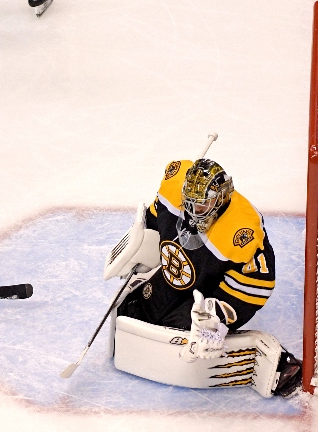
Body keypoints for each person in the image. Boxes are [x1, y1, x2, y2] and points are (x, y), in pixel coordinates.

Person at [112, 158, 302, 397]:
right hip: (180, 277)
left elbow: (258, 285)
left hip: (216, 290)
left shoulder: (241, 231)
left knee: (191, 335)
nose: (193, 212)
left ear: (220, 199)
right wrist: (140, 246)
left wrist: (219, 314)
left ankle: (280, 364)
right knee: (132, 312)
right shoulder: (173, 187)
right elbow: (155, 217)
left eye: (202, 205)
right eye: (189, 203)